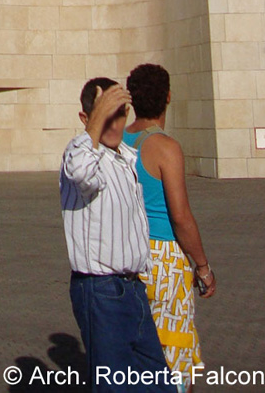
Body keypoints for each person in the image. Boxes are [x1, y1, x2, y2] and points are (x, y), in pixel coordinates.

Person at [60, 77, 169, 387]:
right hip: (101, 291)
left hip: (133, 288)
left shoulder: (126, 156)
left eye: (119, 113)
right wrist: (97, 120)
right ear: (86, 118)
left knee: (156, 381)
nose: (113, 123)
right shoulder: (80, 154)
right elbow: (81, 171)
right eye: (104, 115)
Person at [124, 63, 216, 385]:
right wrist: (202, 266)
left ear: (132, 99)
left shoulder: (118, 141)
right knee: (174, 357)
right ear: (168, 97)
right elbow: (180, 216)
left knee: (135, 352)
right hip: (163, 260)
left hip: (126, 255)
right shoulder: (165, 147)